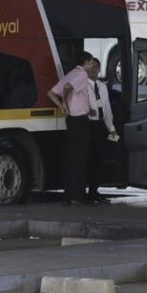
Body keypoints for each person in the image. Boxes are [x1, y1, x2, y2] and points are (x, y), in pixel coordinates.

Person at [47, 51, 95, 206]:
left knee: (71, 158)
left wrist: (62, 105)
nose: (92, 65)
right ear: (86, 63)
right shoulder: (81, 75)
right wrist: (65, 103)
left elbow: (51, 93)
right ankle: (77, 196)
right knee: (80, 159)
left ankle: (69, 196)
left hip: (71, 121)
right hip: (80, 121)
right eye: (91, 62)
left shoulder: (72, 73)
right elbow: (67, 88)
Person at [85, 59, 119, 203]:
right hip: (87, 126)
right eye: (92, 67)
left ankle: (94, 192)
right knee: (87, 160)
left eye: (97, 67)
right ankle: (83, 192)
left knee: (98, 161)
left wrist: (112, 129)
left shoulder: (102, 86)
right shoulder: (83, 85)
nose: (95, 70)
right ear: (86, 69)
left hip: (100, 126)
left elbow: (107, 109)